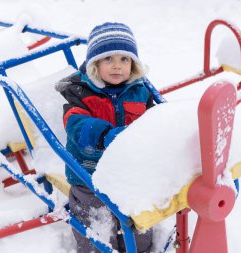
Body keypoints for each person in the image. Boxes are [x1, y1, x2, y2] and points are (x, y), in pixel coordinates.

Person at [56, 22, 154, 253]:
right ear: (95, 64)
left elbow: (153, 121)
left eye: (124, 59)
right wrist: (105, 135)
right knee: (95, 232)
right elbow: (75, 124)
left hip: (129, 173)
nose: (117, 66)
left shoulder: (140, 91)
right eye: (108, 59)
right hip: (89, 176)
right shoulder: (80, 92)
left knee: (138, 229)